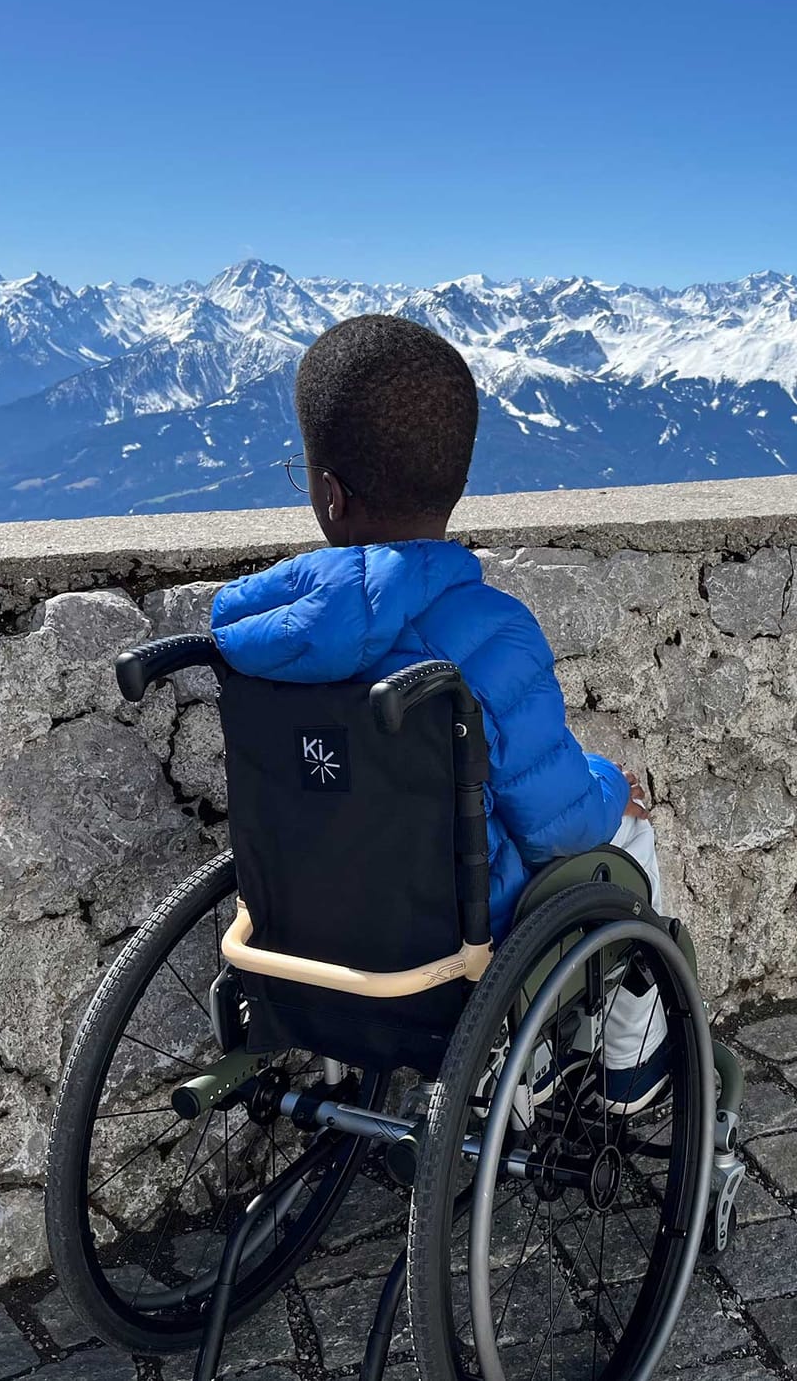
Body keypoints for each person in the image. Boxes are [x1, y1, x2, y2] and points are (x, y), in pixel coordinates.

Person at [208, 314, 669, 1110]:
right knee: (631, 838)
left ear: (327, 495)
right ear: (455, 486)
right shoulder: (489, 634)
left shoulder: (255, 644)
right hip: (458, 947)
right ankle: (627, 1068)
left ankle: (509, 1077)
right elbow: (557, 822)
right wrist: (609, 784)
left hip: (297, 923)